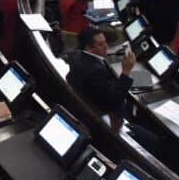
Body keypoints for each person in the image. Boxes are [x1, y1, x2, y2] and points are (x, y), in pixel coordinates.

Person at [66, 26, 162, 154]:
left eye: (105, 42)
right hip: (111, 119)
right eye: (101, 45)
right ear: (89, 48)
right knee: (156, 141)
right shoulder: (95, 70)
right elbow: (115, 98)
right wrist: (126, 71)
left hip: (96, 102)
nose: (106, 46)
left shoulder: (77, 55)